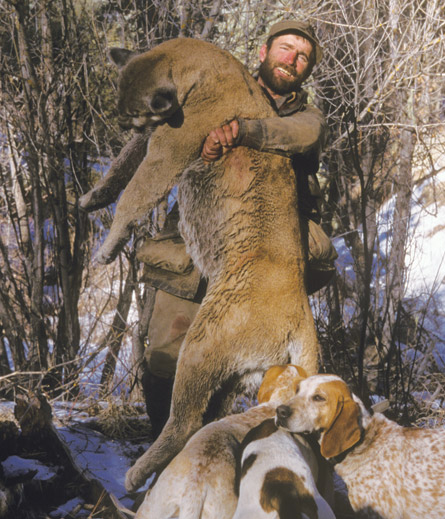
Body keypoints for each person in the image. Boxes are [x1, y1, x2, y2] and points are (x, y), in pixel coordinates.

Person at [83, 20, 335, 436]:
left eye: (303, 57)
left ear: (307, 71)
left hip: (260, 259)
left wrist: (243, 132)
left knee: (254, 373)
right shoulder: (212, 85)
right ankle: (170, 459)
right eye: (287, 48)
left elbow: (300, 135)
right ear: (263, 52)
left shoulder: (307, 117)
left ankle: (237, 456)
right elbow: (153, 143)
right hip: (197, 243)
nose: (293, 59)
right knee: (165, 359)